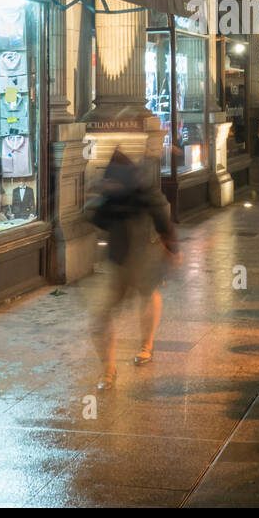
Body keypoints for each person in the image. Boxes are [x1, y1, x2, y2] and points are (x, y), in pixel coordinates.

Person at [88, 150, 182, 390]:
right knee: (101, 315)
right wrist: (101, 195)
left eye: (114, 180)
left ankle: (146, 346)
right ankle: (108, 370)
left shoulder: (144, 191)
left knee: (148, 295)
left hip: (144, 256)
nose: (111, 183)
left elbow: (163, 218)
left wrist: (172, 249)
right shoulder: (112, 196)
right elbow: (98, 220)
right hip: (117, 260)